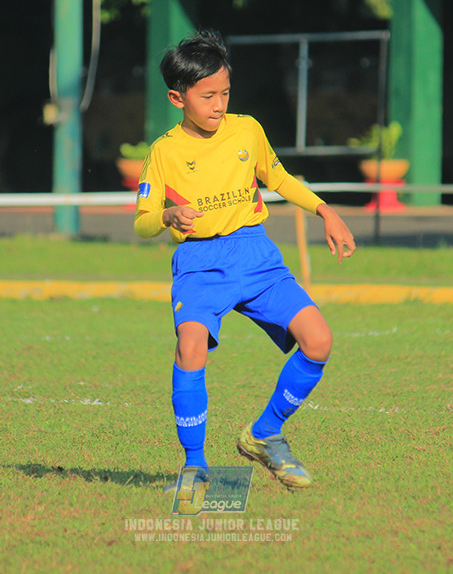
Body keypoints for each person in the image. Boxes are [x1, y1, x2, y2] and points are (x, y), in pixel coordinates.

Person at [134, 29, 356, 489]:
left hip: (254, 253)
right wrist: (166, 215)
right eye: (208, 95)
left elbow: (277, 176)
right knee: (190, 346)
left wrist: (324, 209)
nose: (219, 104)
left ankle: (265, 434)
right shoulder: (164, 152)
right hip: (199, 261)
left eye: (226, 93)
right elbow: (140, 221)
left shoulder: (246, 129)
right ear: (178, 97)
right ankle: (195, 466)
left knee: (318, 340)